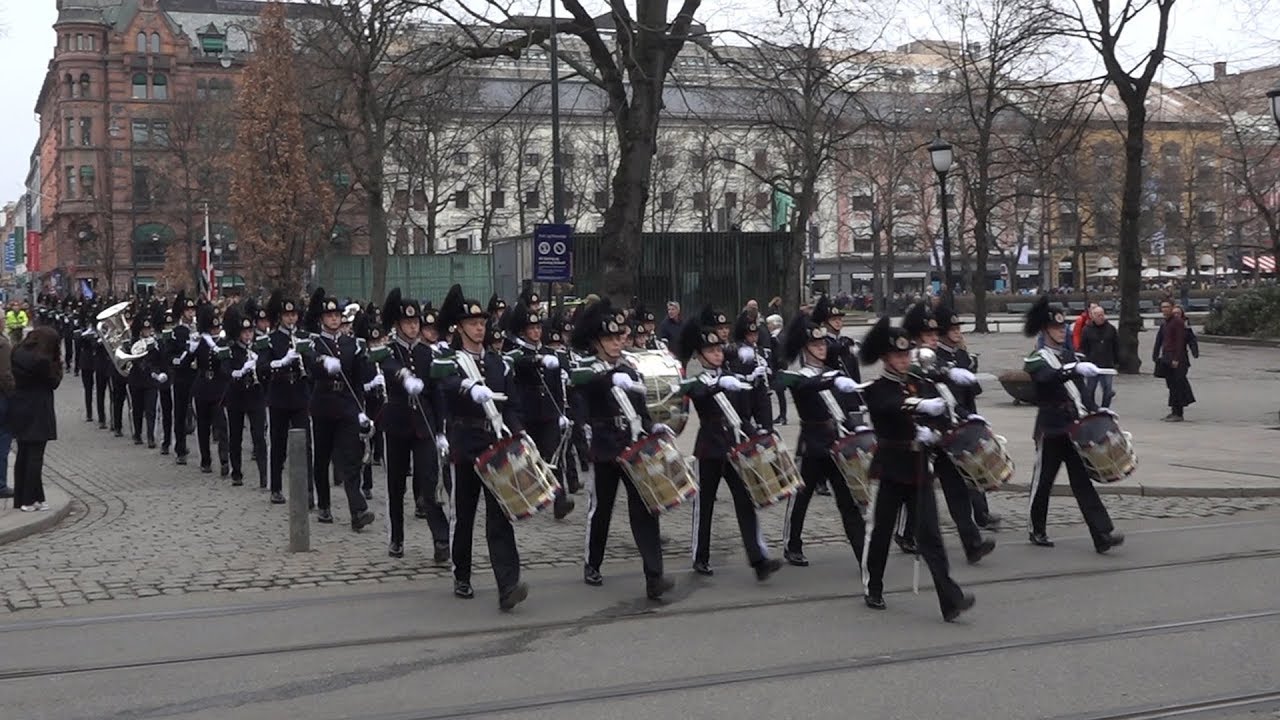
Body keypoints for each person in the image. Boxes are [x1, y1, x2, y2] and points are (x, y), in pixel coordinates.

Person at [860, 316, 975, 621]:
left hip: (918, 466)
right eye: (898, 355)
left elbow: (938, 413)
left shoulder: (917, 382)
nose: (903, 359)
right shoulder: (877, 388)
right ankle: (873, 586)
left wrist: (935, 429)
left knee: (930, 535)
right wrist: (918, 408)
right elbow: (887, 406)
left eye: (906, 354)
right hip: (889, 467)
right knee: (881, 531)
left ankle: (950, 599)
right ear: (886, 358)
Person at [570, 298, 675, 601]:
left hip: (631, 442)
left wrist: (653, 426)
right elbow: (579, 384)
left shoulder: (629, 369)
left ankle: (654, 576)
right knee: (601, 508)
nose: (616, 343)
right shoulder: (587, 367)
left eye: (619, 338)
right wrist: (605, 378)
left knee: (645, 508)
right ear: (596, 341)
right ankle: (593, 562)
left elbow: (641, 406)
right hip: (603, 445)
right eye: (609, 338)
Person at [433, 284, 529, 610]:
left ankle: (508, 585)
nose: (480, 327)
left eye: (482, 322)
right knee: (464, 514)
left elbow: (512, 405)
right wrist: (467, 388)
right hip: (465, 443)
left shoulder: (498, 362)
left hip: (496, 442)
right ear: (459, 327)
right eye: (473, 323)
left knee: (500, 514)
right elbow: (442, 382)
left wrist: (519, 432)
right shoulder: (450, 359)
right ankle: (462, 573)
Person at [676, 308, 782, 580]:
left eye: (719, 350)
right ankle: (701, 557)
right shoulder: (698, 380)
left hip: (734, 448)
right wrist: (719, 383)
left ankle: (759, 559)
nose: (717, 354)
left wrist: (759, 433)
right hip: (709, 449)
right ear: (700, 355)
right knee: (705, 505)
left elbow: (744, 411)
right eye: (711, 351)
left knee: (746, 502)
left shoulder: (732, 376)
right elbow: (697, 392)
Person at [1023, 297, 1124, 553]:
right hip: (1050, 428)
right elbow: (1047, 378)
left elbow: (1079, 392)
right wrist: (1074, 369)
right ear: (1045, 330)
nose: (1061, 331)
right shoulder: (1037, 358)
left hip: (1072, 428)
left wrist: (1095, 411)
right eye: (1056, 328)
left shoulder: (1069, 356)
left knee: (1082, 481)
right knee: (1043, 482)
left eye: (1063, 327)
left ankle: (1102, 534)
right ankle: (1037, 529)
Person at [900, 302, 995, 565]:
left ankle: (972, 543)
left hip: (944, 435)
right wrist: (919, 423)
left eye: (934, 335)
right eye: (928, 335)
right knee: (916, 492)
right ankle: (904, 534)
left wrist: (966, 417)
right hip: (920, 437)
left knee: (957, 490)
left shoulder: (938, 363)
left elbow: (950, 398)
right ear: (918, 337)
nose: (933, 339)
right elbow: (902, 401)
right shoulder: (908, 365)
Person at [777, 310, 867, 568]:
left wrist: (855, 427)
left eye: (823, 344)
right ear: (805, 349)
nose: (822, 348)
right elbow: (800, 386)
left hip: (836, 443)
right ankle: (791, 544)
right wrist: (829, 379)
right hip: (812, 444)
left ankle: (864, 554)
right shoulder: (799, 376)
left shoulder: (833, 372)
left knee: (848, 502)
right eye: (816, 345)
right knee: (801, 498)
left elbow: (842, 407)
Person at [379, 289, 450, 561]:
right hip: (396, 424)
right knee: (395, 485)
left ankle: (441, 540)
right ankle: (396, 537)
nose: (412, 327)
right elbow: (385, 365)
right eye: (407, 323)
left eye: (416, 323)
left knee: (429, 485)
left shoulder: (427, 353)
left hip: (424, 426)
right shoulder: (389, 350)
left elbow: (437, 393)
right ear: (398, 324)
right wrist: (403, 376)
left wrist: (441, 430)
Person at [307, 289, 376, 531]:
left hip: (347, 406)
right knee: (322, 458)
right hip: (324, 404)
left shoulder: (351, 343)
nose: (334, 319)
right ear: (322, 319)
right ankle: (324, 504)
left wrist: (364, 359)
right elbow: (310, 364)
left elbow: (360, 377)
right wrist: (322, 362)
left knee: (351, 459)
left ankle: (357, 511)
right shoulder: (315, 342)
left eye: (337, 315)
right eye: (329, 316)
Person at [505, 300, 575, 520]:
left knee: (553, 454)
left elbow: (556, 385)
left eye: (538, 328)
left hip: (549, 411)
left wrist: (561, 411)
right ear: (524, 332)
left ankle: (560, 499)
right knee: (530, 458)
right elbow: (520, 364)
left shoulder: (550, 353)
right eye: (531, 329)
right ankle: (527, 497)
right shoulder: (518, 353)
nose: (535, 332)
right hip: (529, 410)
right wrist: (537, 360)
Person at [934, 307, 1000, 530]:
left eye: (958, 328)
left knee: (974, 466)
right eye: (952, 329)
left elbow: (973, 390)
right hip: (948, 419)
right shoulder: (936, 357)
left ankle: (981, 513)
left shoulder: (960, 354)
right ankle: (909, 529)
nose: (957, 332)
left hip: (967, 416)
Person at [262, 291, 310, 506]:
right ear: (280, 317)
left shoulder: (304, 337)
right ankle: (276, 487)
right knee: (278, 442)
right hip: (279, 393)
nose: (291, 319)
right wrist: (281, 362)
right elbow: (262, 366)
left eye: (294, 315)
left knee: (305, 444)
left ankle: (307, 490)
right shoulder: (271, 340)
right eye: (287, 315)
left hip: (300, 393)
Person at [7, 326, 62, 512]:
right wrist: (58, 363)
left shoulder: (17, 351)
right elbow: (54, 382)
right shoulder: (43, 361)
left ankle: (28, 497)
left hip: (19, 405)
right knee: (35, 456)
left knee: (23, 453)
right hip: (39, 407)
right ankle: (29, 500)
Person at [223, 303, 268, 489]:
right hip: (237, 397)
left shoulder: (259, 347)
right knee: (235, 436)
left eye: (250, 331)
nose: (248, 335)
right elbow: (226, 371)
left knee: (259, 435)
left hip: (256, 395)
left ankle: (264, 474)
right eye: (244, 332)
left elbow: (267, 370)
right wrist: (241, 371)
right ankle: (237, 472)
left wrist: (260, 366)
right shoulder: (232, 349)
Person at [191, 304, 230, 476]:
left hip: (219, 387)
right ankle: (205, 460)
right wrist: (189, 349)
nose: (215, 331)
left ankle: (224, 459)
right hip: (202, 386)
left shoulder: (223, 343)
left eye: (217, 328)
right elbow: (187, 363)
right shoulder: (200, 342)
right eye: (212, 328)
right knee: (203, 426)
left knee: (221, 425)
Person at [1153, 301, 1195, 422]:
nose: (1164, 309)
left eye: (1166, 307)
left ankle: (1179, 412)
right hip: (1166, 357)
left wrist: (1176, 358)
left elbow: (1180, 341)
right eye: (1162, 307)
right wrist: (1156, 355)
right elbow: (1160, 340)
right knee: (1171, 385)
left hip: (1177, 358)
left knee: (1177, 385)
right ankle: (1174, 410)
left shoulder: (1177, 322)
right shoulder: (1165, 323)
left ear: (1171, 308)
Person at [1079, 304, 1119, 408]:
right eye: (1097, 315)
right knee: (1090, 388)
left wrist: (1116, 361)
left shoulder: (1111, 329)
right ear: (1092, 316)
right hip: (1092, 363)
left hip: (1107, 363)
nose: (1100, 317)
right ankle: (1091, 407)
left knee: (1108, 389)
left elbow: (1116, 345)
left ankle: (1105, 408)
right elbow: (1083, 346)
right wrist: (1085, 360)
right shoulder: (1087, 330)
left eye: (1102, 315)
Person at [0, 327, 14, 499]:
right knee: (3, 440)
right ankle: (1, 484)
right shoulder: (2, 344)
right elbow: (5, 374)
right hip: (2, 397)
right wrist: (13, 393)